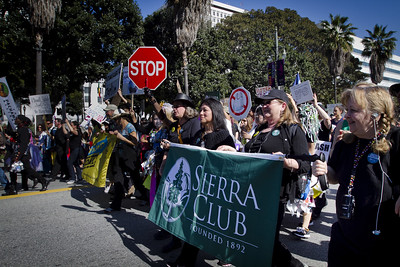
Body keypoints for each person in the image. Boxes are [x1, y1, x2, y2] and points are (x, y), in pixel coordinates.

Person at [219, 89, 310, 267]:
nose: (264, 105)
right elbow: (251, 155)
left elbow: (305, 165)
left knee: (266, 241)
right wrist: (233, 151)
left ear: (283, 106)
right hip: (251, 193)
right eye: (263, 102)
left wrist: (285, 162)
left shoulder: (292, 130)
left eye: (269, 102)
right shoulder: (260, 129)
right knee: (256, 239)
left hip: (274, 195)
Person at [313, 86, 400, 266]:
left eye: (353, 110)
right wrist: (324, 169)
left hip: (381, 242)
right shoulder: (346, 142)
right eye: (346, 110)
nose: (346, 116)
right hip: (344, 236)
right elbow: (334, 177)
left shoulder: (396, 138)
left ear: (375, 114)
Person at [170, 97, 235, 267]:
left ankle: (224, 255)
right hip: (198, 186)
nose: (201, 113)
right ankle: (185, 260)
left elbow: (230, 164)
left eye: (205, 110)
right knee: (195, 225)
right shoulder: (199, 134)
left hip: (215, 189)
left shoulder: (223, 135)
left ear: (215, 112)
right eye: (200, 110)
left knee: (215, 225)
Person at [147, 91, 201, 253]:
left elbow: (194, 148)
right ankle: (174, 237)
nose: (174, 109)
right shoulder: (174, 125)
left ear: (187, 109)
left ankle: (184, 241)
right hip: (173, 169)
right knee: (172, 204)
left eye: (178, 107)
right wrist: (152, 99)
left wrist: (173, 147)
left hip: (187, 173)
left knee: (183, 207)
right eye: (174, 107)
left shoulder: (194, 124)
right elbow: (162, 115)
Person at [105, 109, 147, 212]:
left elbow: (135, 142)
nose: (115, 121)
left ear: (121, 118)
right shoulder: (118, 127)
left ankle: (146, 197)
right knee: (118, 179)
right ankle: (116, 205)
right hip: (119, 157)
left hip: (130, 157)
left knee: (136, 180)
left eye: (116, 119)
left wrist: (121, 137)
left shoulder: (130, 127)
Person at [14, 115, 50, 192]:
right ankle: (24, 185)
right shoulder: (21, 129)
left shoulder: (23, 130)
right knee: (24, 170)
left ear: (20, 120)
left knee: (28, 169)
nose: (15, 120)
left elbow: (24, 143)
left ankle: (43, 180)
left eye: (17, 119)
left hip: (24, 152)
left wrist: (19, 155)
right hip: (23, 152)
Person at [64, 120, 83, 185]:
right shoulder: (71, 132)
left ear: (75, 126)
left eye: (72, 125)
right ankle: (80, 178)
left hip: (76, 149)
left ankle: (73, 178)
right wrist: (63, 125)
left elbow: (73, 131)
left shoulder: (78, 131)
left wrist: (67, 122)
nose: (70, 126)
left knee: (69, 162)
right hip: (72, 149)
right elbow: (66, 133)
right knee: (76, 163)